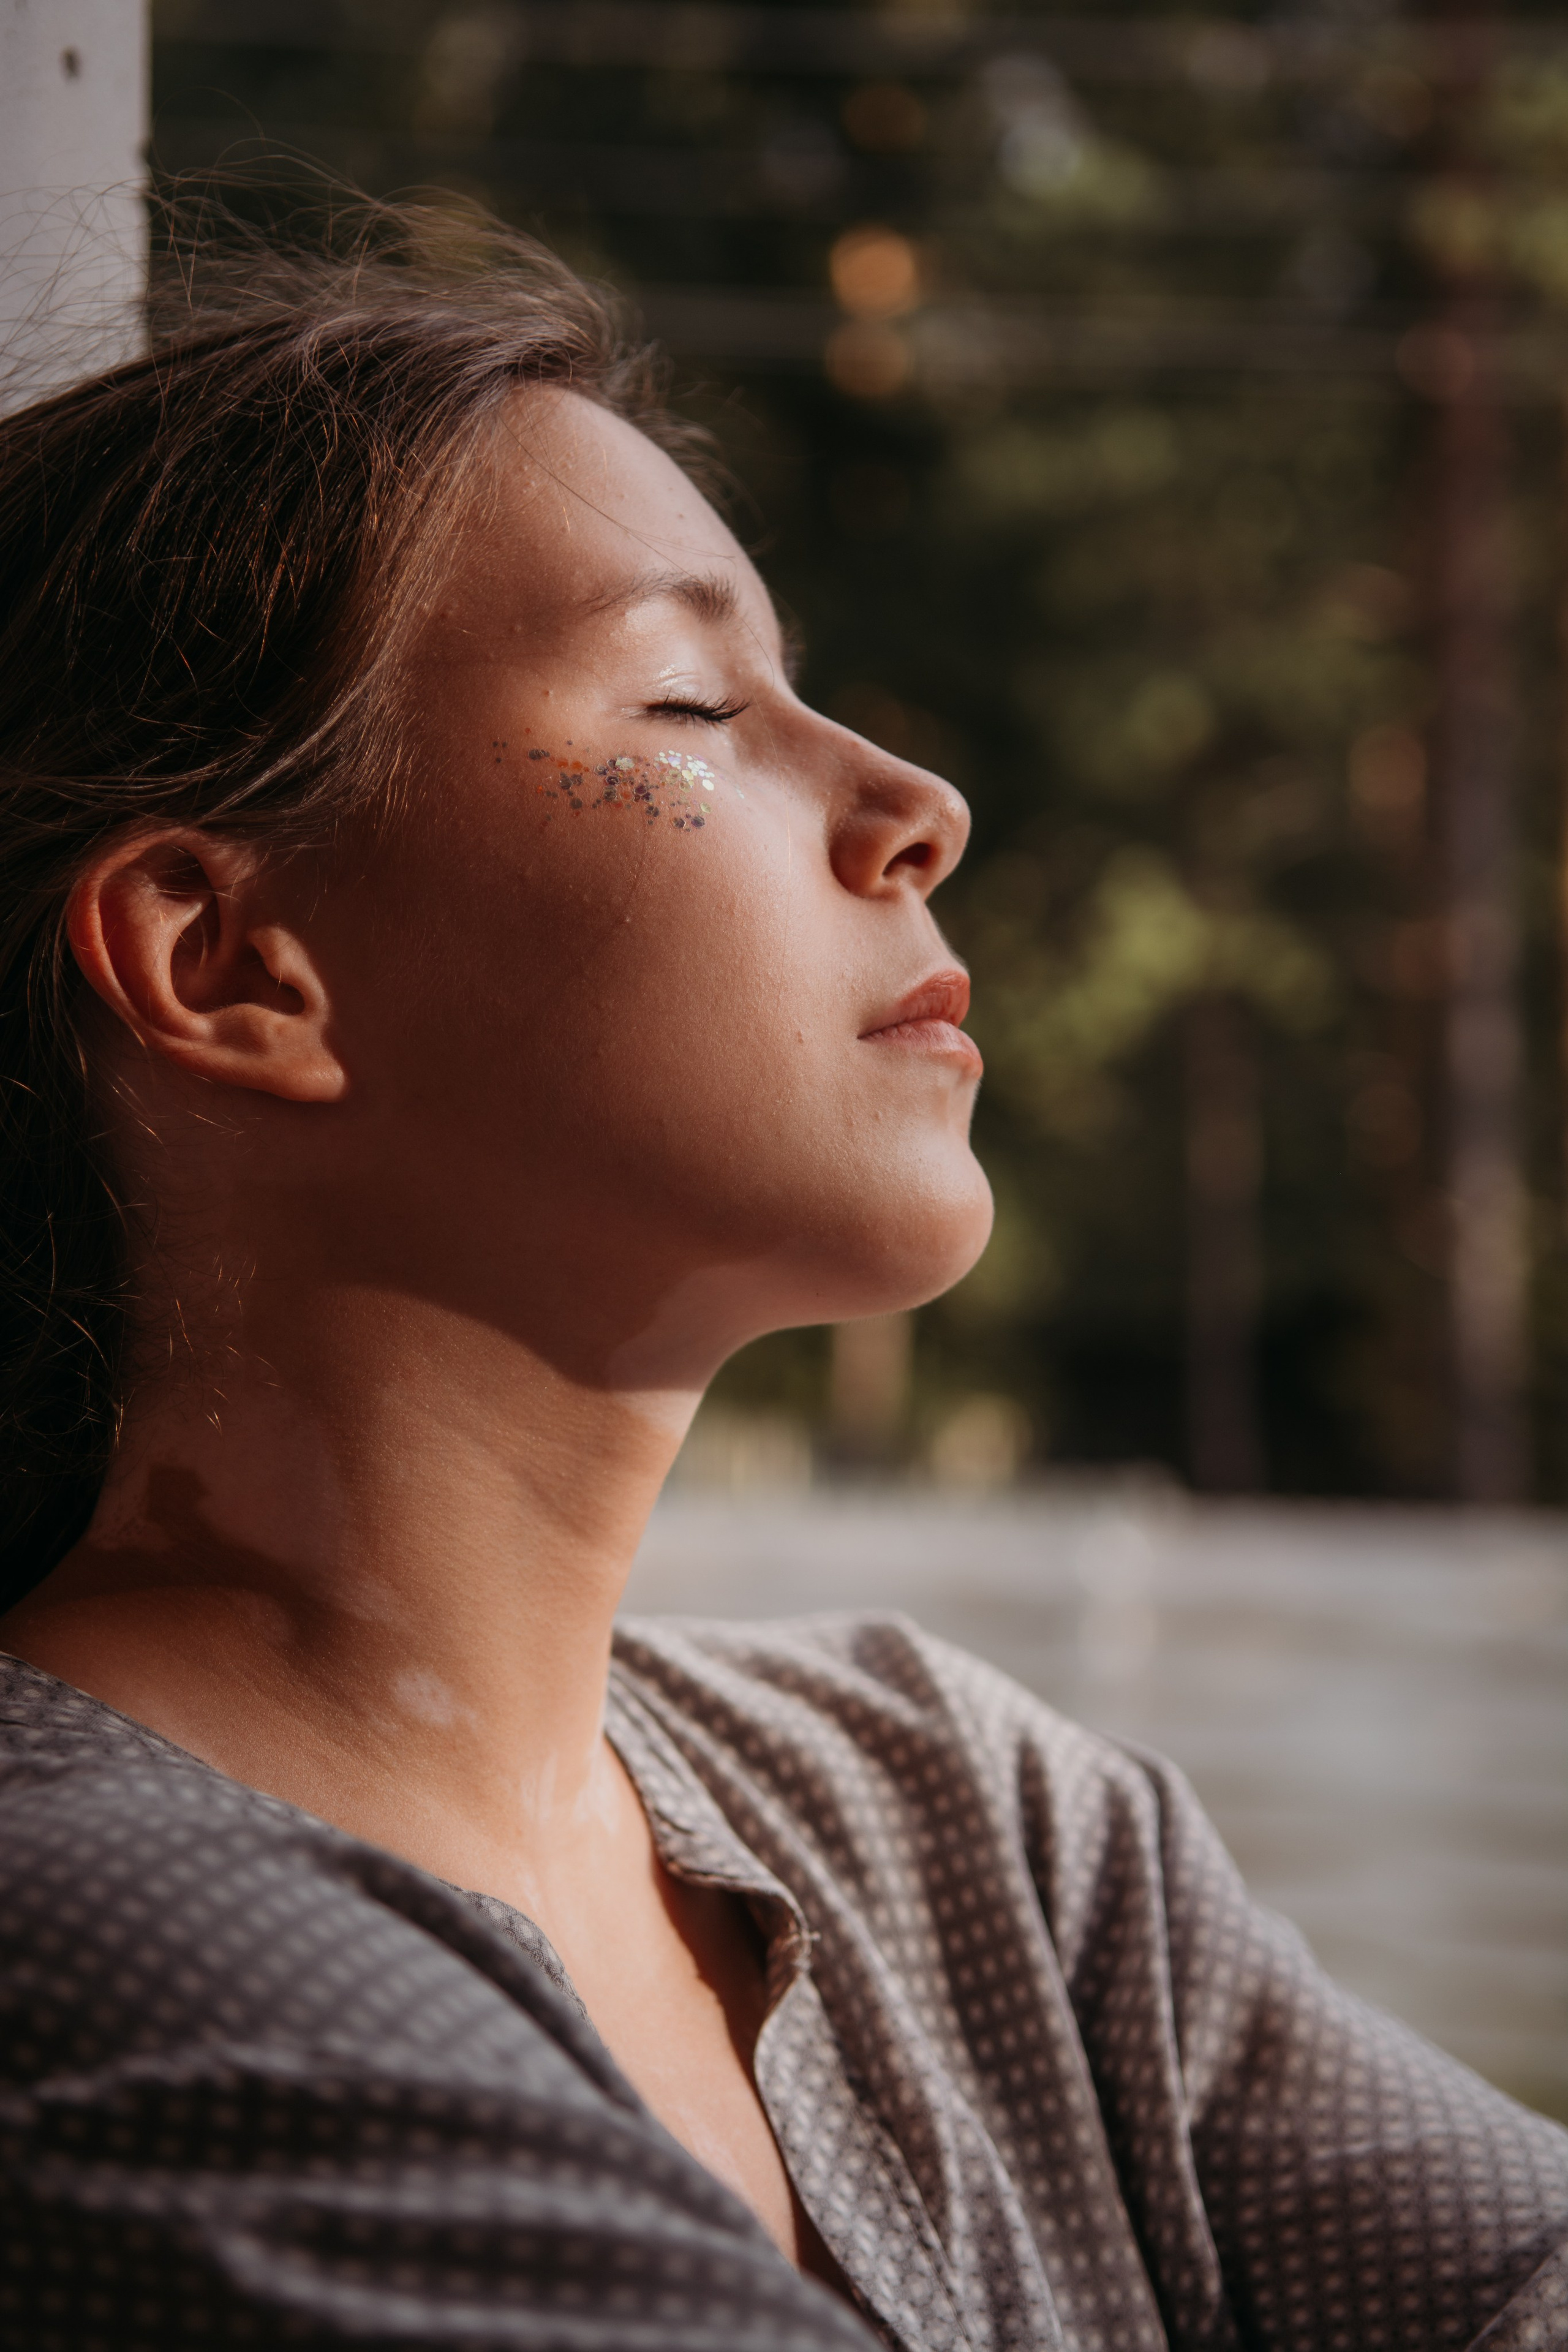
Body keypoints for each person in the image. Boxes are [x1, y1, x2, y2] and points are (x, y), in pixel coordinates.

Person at [0, 198, 1562, 2352]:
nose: (918, 804)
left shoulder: (969, 1820)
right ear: (231, 963)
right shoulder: (81, 1945)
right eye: (690, 699)